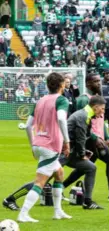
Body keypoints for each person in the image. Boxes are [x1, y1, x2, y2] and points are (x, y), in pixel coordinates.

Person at [2, 96, 104, 212]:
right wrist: (82, 154)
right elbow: (80, 138)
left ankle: (87, 202)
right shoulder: (83, 116)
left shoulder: (84, 114)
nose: (103, 112)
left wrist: (82, 152)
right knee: (41, 181)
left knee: (91, 167)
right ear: (95, 107)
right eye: (102, 109)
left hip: (68, 153)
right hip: (61, 152)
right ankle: (10, 199)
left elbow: (77, 136)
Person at [17, 72, 72, 223]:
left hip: (38, 143)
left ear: (48, 85)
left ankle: (57, 211)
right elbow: (61, 119)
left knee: (59, 173)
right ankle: (23, 213)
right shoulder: (61, 100)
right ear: (62, 85)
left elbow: (28, 126)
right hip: (51, 145)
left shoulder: (40, 100)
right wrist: (67, 141)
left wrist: (32, 144)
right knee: (40, 182)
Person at [74, 72, 109, 203]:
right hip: (90, 139)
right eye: (96, 81)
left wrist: (107, 136)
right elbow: (82, 123)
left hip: (99, 138)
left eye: (99, 81)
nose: (99, 83)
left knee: (85, 167)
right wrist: (94, 137)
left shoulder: (97, 98)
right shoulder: (84, 99)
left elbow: (101, 120)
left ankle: (60, 187)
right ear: (88, 83)